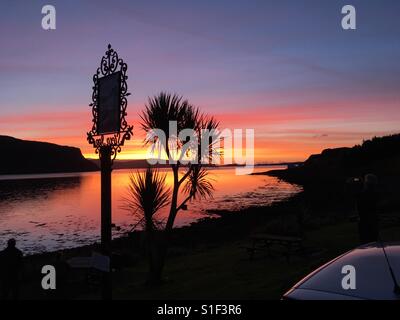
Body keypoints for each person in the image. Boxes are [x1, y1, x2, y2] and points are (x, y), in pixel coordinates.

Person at [356, 174, 379, 244]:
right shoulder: (373, 194)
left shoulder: (362, 194)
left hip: (366, 221)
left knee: (367, 242)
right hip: (370, 221)